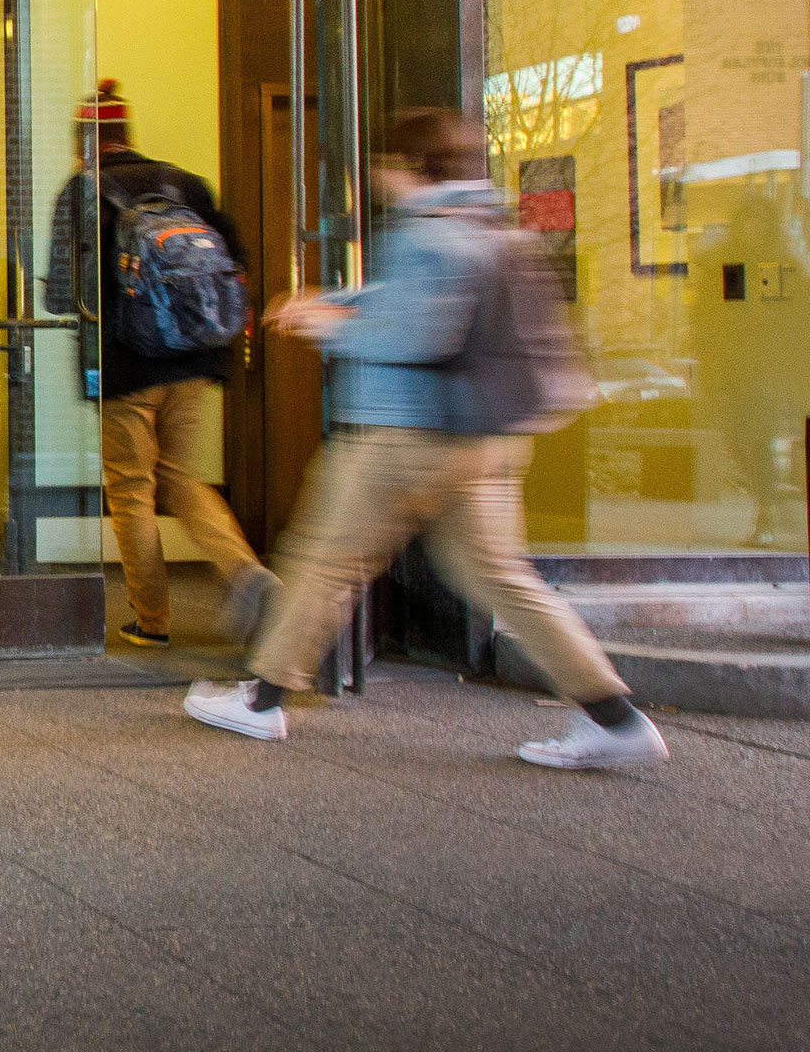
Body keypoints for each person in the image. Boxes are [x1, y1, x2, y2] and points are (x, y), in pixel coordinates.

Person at [185, 107, 668, 770]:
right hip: (482, 436)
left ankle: (262, 702)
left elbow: (416, 334)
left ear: (411, 166)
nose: (377, 180)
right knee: (503, 578)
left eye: (383, 166)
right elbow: (417, 302)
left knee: (324, 558)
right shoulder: (486, 223)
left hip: (405, 435)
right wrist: (345, 300)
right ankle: (614, 716)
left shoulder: (422, 234)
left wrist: (331, 326)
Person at [41, 80, 275, 648]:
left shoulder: (81, 191)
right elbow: (235, 267)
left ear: (85, 144)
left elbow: (60, 295)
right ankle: (248, 574)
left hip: (124, 366)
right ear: (128, 135)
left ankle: (152, 620)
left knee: (129, 489)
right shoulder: (187, 184)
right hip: (196, 360)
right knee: (179, 479)